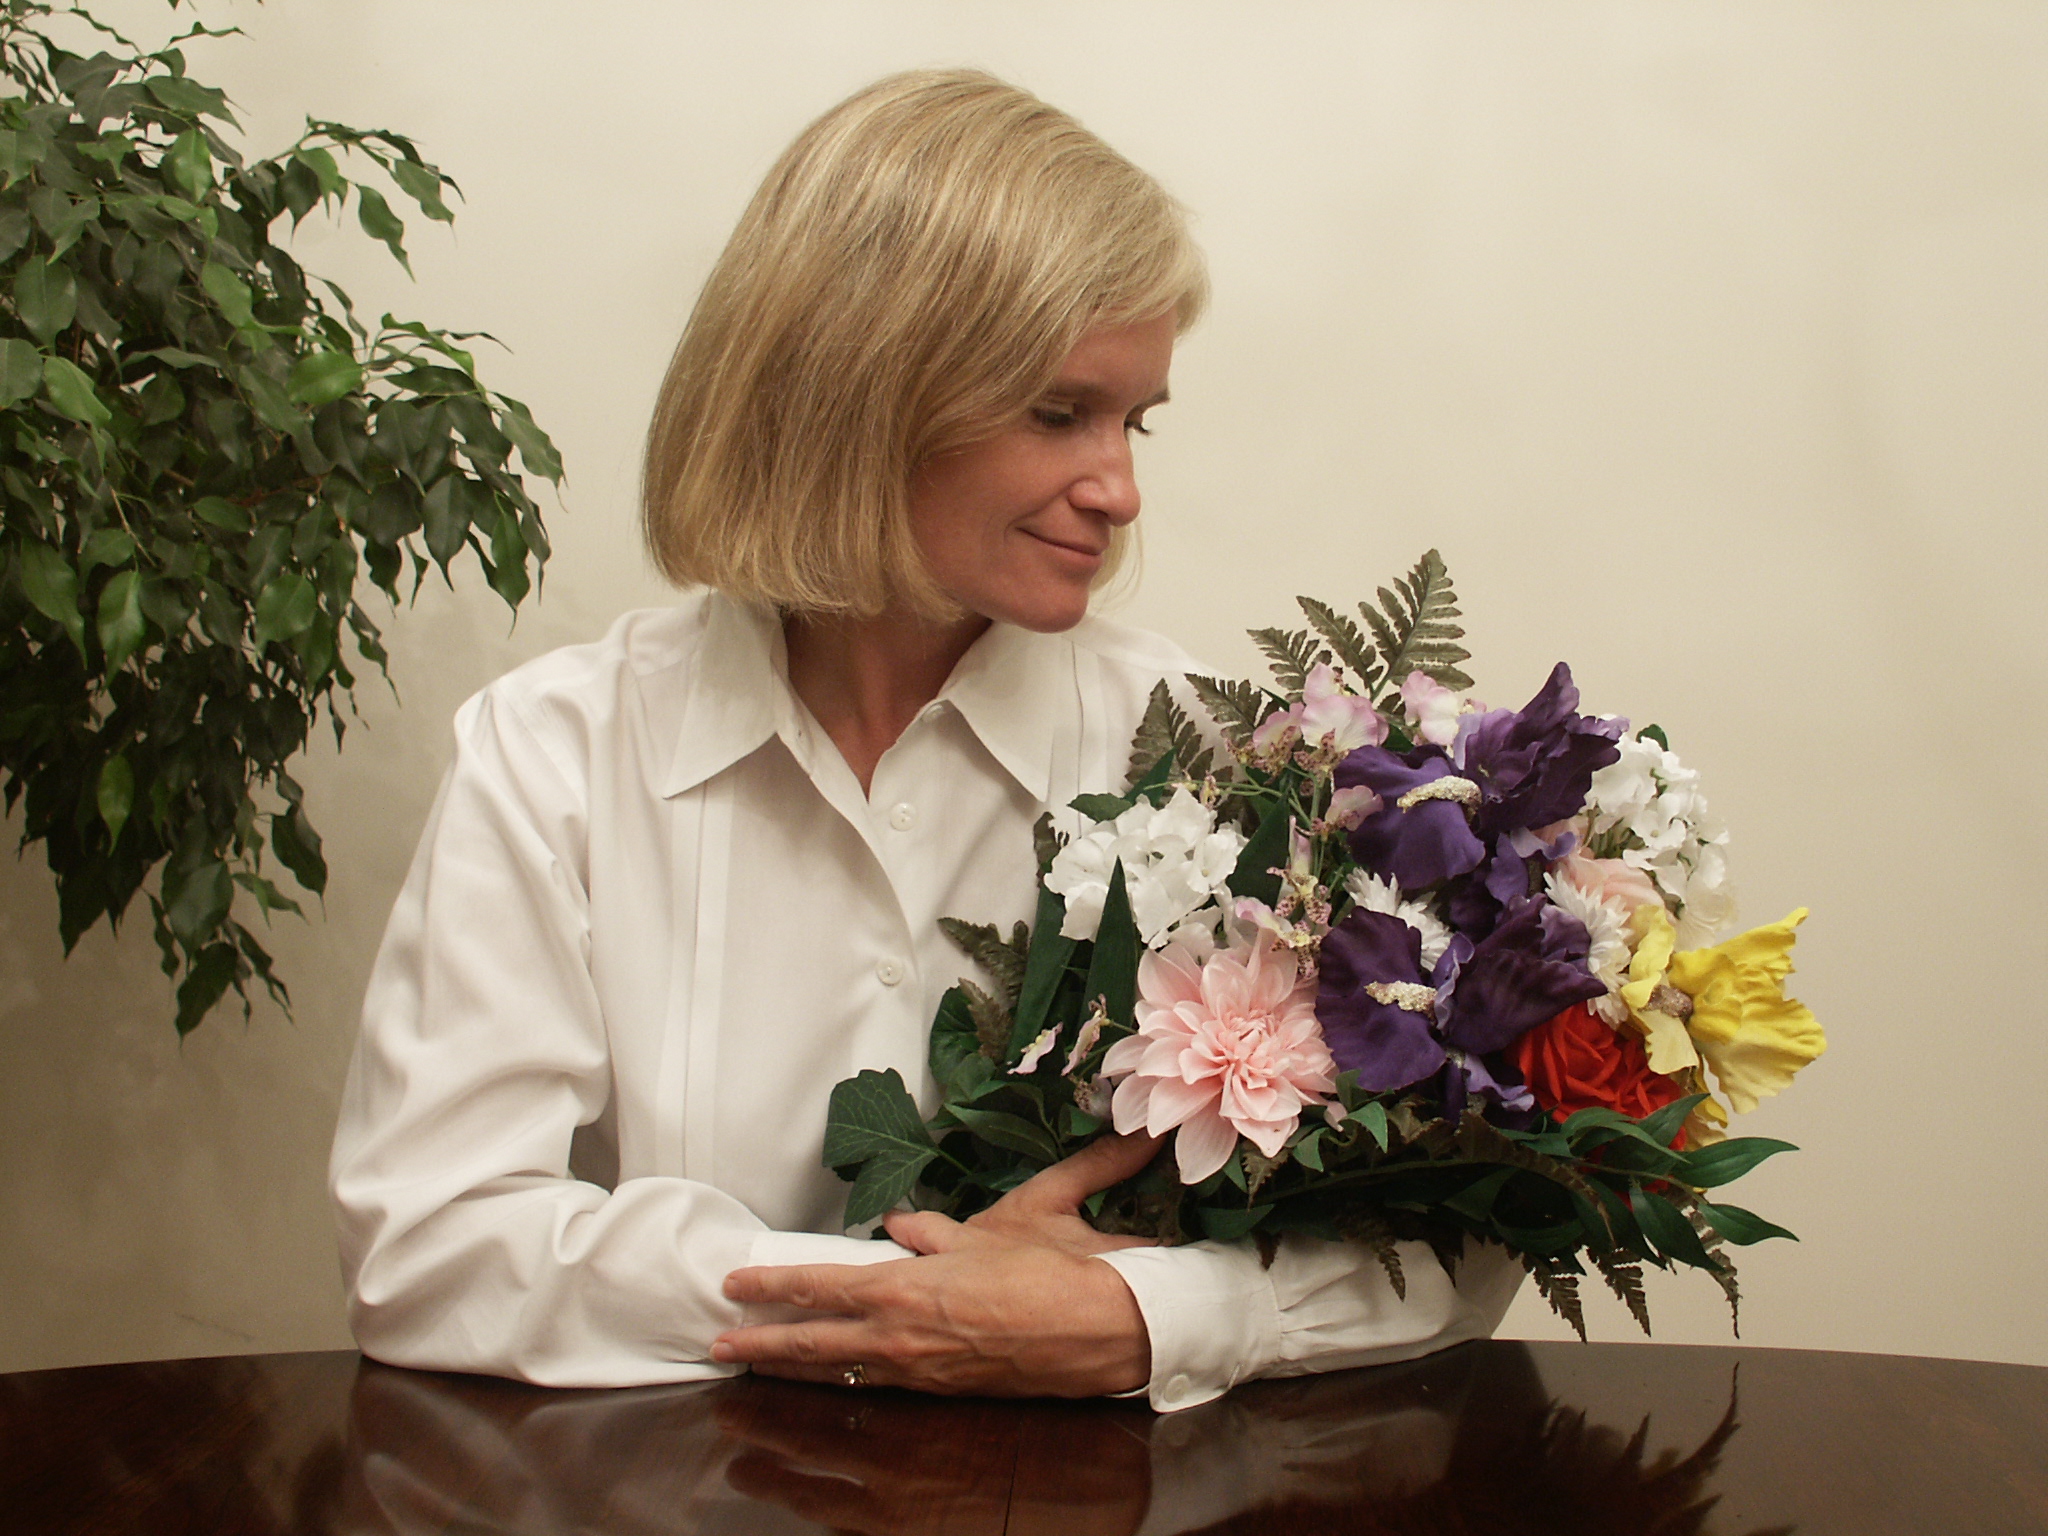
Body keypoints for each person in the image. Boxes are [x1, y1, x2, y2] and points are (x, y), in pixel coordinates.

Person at [330, 69, 1520, 1414]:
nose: (1122, 489)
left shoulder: (1230, 761)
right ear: (858, 393)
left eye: (1135, 421)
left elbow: (1480, 1229)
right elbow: (428, 1247)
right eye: (1059, 413)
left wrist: (1145, 1319)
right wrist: (925, 1307)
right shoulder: (557, 754)